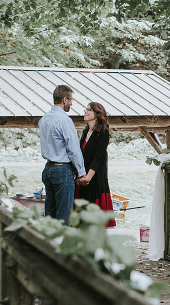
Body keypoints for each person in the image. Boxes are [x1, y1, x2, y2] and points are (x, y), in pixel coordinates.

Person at [39, 84, 89, 224]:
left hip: (48, 169)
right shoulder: (64, 120)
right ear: (64, 99)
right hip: (62, 170)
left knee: (50, 215)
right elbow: (73, 150)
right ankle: (61, 244)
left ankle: (47, 244)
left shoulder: (44, 119)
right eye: (71, 100)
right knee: (63, 217)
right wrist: (81, 173)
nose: (72, 103)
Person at [76, 101, 116, 228]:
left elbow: (98, 157)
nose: (85, 112)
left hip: (95, 176)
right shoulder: (85, 132)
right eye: (85, 109)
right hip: (84, 176)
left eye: (89, 110)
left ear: (97, 114)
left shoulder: (103, 132)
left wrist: (88, 177)